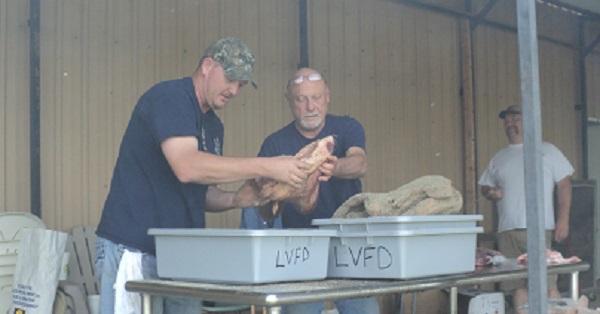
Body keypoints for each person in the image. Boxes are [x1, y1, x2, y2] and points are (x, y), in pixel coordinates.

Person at [95, 37, 310, 314]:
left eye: (242, 84)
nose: (234, 90)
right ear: (208, 66)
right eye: (230, 78)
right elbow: (187, 167)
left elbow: (201, 192)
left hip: (181, 257)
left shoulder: (213, 125)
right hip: (133, 249)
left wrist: (237, 198)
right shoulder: (170, 97)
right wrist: (267, 165)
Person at [241, 68, 379, 314]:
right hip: (300, 245)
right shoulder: (274, 143)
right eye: (301, 99)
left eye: (315, 97)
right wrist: (279, 195)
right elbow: (262, 204)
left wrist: (336, 166)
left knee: (363, 308)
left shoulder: (347, 127)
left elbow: (360, 163)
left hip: (348, 238)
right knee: (300, 311)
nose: (310, 106)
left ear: (327, 96)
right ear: (289, 102)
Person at [479, 104, 573, 313]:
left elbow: (564, 185)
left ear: (529, 121)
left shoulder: (547, 150)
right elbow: (485, 185)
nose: (510, 123)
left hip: (540, 228)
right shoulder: (499, 157)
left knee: (547, 285)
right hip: (508, 231)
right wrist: (490, 192)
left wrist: (563, 220)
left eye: (515, 119)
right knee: (517, 286)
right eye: (506, 120)